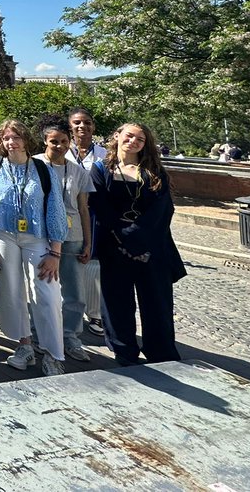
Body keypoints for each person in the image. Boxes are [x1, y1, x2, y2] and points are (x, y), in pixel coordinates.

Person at [0, 119, 67, 377]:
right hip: (3, 235)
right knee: (11, 291)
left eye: (15, 137)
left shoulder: (42, 169)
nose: (11, 142)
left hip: (36, 238)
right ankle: (24, 345)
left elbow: (55, 209)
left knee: (46, 293)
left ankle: (53, 354)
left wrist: (56, 252)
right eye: (6, 138)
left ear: (26, 139)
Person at [89, 122, 184, 366]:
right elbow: (101, 207)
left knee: (157, 304)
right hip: (115, 247)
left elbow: (162, 211)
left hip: (152, 247)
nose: (133, 142)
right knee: (117, 303)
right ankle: (124, 352)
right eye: (129, 136)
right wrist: (124, 240)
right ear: (117, 136)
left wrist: (138, 242)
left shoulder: (155, 172)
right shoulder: (101, 170)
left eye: (140, 139)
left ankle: (161, 353)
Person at [34, 114, 96, 363]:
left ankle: (70, 335)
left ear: (69, 142)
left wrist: (88, 242)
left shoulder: (78, 172)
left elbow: (83, 209)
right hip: (40, 234)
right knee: (41, 288)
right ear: (45, 142)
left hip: (72, 236)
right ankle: (39, 334)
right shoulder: (34, 165)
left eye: (63, 141)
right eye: (53, 141)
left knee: (74, 291)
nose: (58, 146)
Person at [67, 108, 108, 336]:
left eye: (87, 122)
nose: (82, 126)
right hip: (68, 213)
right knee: (69, 262)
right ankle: (70, 310)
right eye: (77, 123)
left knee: (93, 264)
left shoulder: (104, 154)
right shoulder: (62, 150)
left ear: (93, 126)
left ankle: (95, 314)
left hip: (95, 214)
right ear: (70, 127)